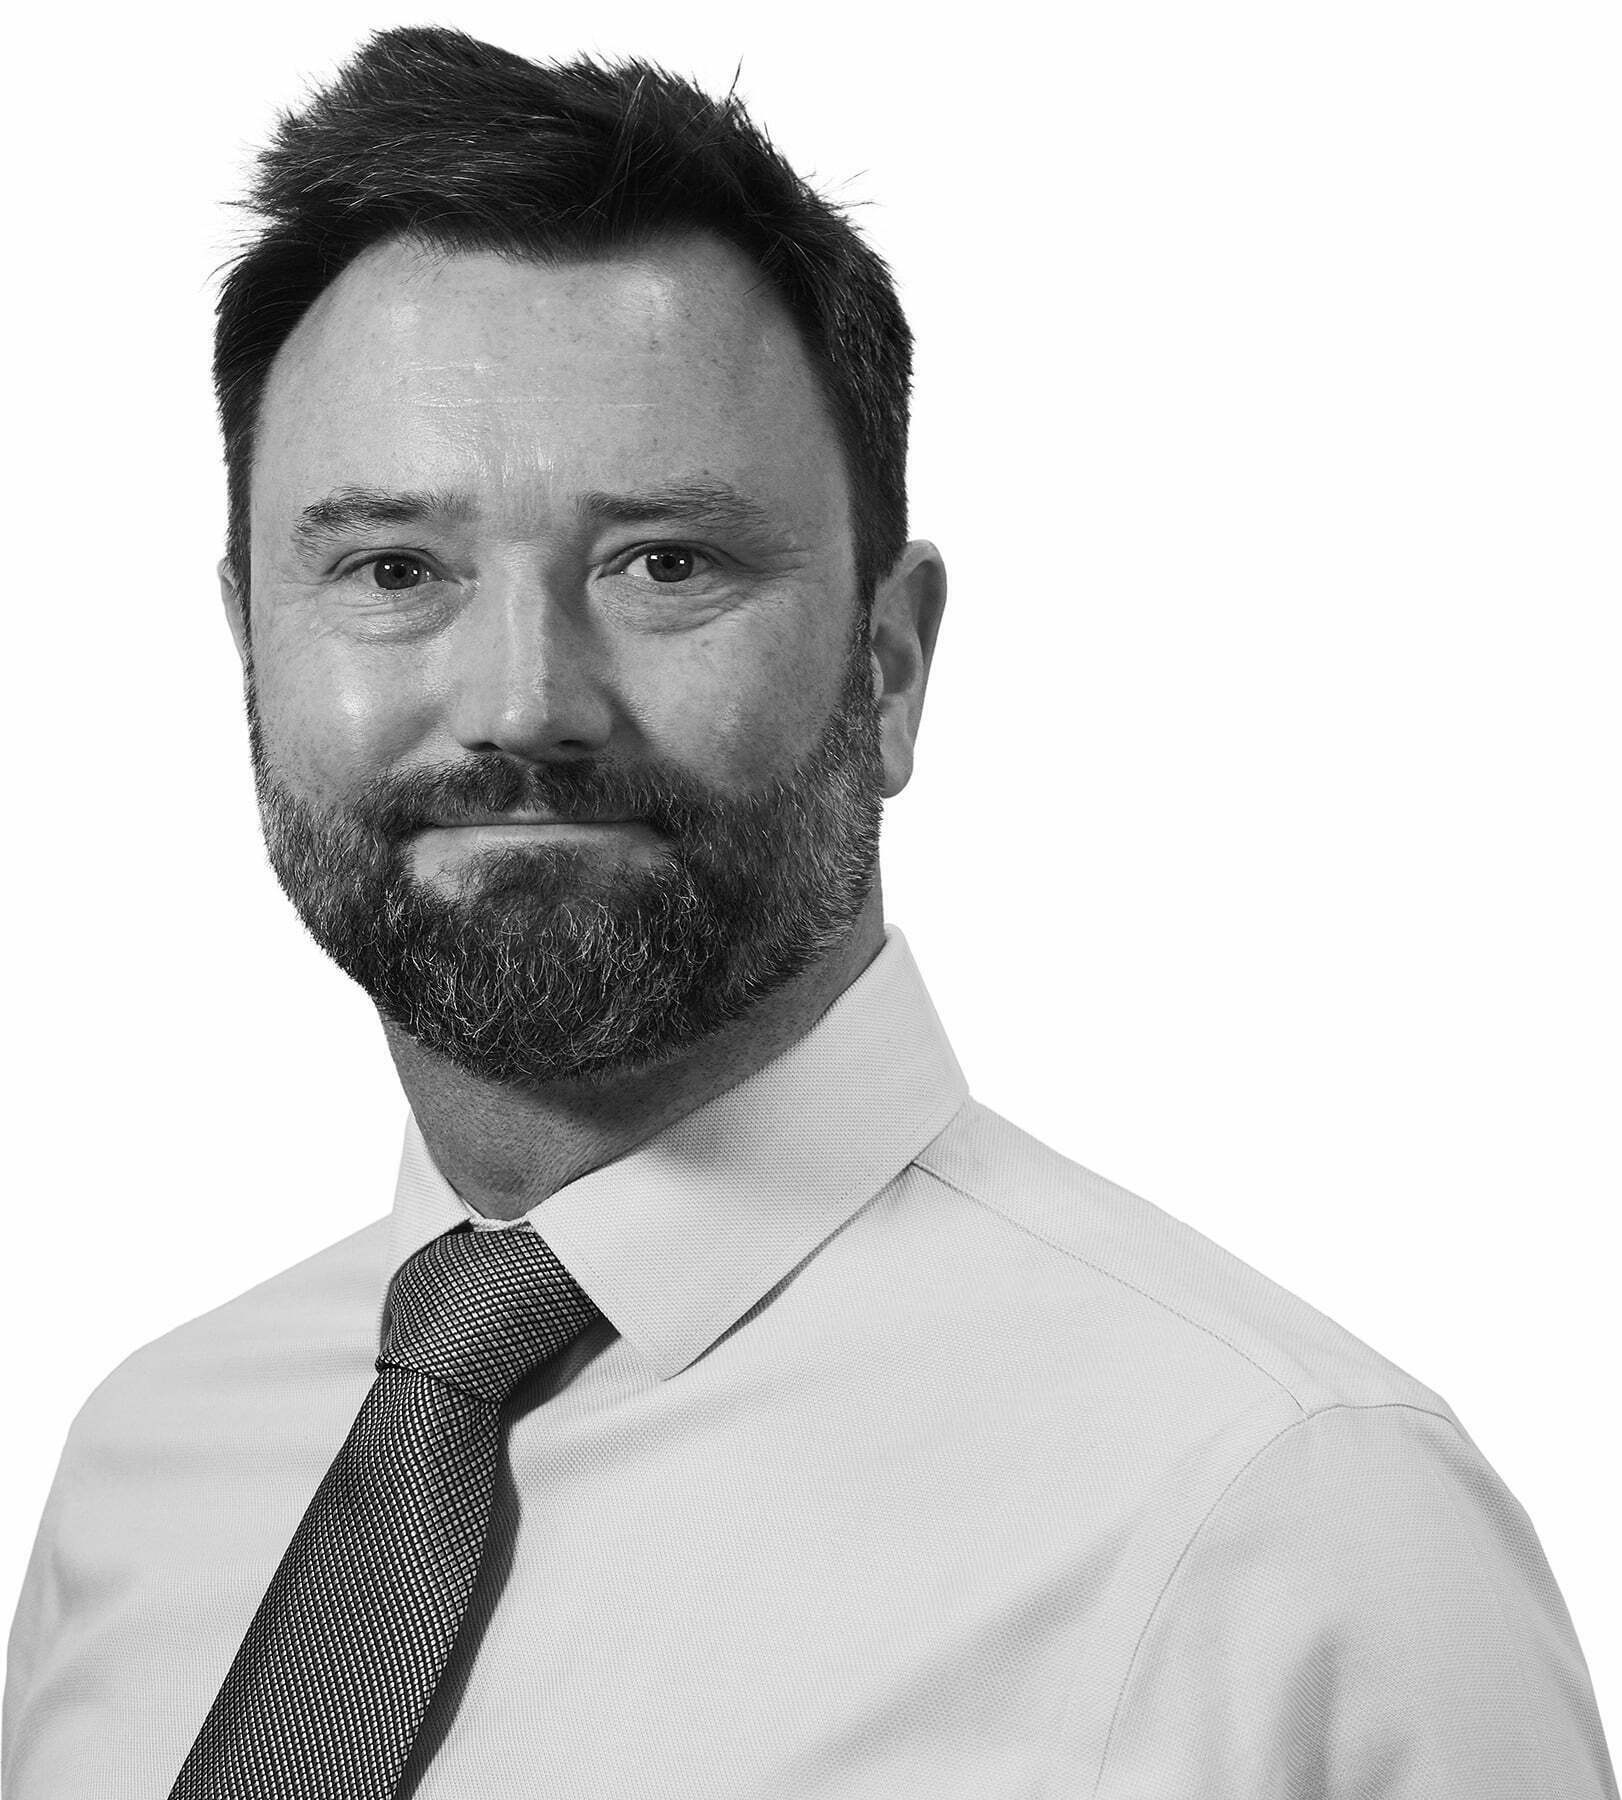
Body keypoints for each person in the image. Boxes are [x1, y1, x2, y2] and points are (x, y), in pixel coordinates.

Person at [2, 23, 1614, 1800]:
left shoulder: (1283, 1519)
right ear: (251, 641)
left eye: (665, 563)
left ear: (892, 663)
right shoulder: (145, 1479)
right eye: (393, 568)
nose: (524, 701)